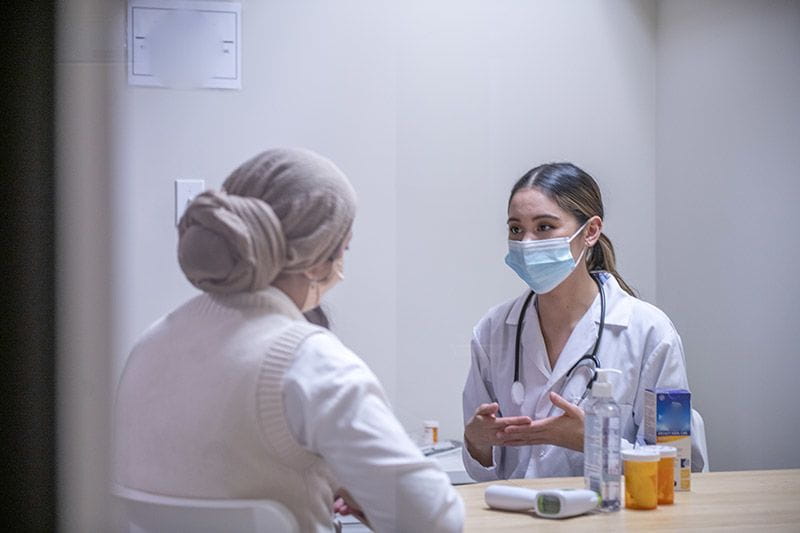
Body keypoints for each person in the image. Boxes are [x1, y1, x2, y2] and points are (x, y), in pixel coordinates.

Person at [114, 148, 464, 532]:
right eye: (343, 249)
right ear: (315, 260)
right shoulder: (309, 361)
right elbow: (434, 521)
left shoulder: (150, 345)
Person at [462, 162, 706, 481]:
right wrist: (477, 442)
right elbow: (482, 469)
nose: (526, 243)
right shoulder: (492, 331)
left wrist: (593, 441)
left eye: (545, 227)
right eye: (516, 229)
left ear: (590, 231)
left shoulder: (649, 331)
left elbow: (679, 465)